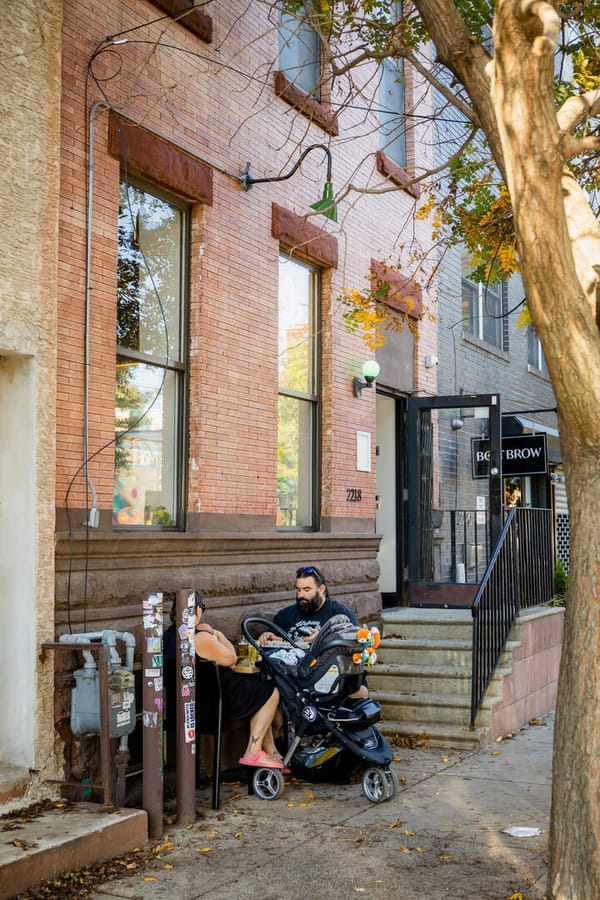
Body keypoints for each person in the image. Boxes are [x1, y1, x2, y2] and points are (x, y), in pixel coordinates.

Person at [166, 594, 284, 769]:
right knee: (269, 692)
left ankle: (272, 753)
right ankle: (253, 751)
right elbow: (232, 658)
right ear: (198, 610)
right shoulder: (200, 638)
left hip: (183, 709)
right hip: (216, 708)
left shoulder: (167, 637)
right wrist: (216, 633)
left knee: (257, 694)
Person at [258, 565, 368, 699]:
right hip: (295, 678)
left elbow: (357, 644)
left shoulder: (339, 614)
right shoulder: (285, 615)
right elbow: (277, 647)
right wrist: (268, 638)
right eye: (298, 590)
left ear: (321, 589)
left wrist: (323, 638)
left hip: (332, 678)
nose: (301, 595)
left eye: (307, 590)